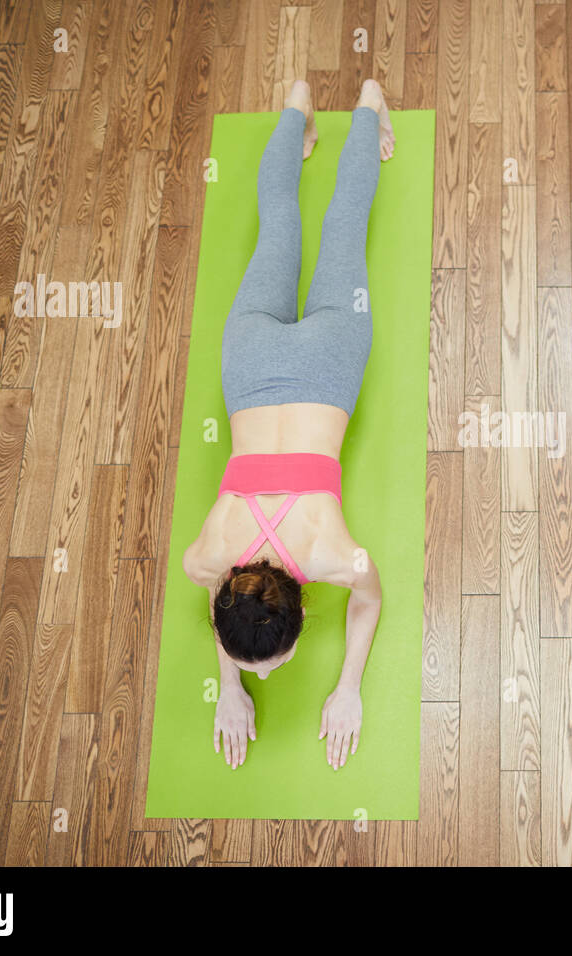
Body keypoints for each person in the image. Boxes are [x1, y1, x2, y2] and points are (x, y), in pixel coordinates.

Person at [183, 77, 396, 771]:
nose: (268, 676)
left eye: (270, 665)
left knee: (344, 223)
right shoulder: (208, 552)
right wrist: (231, 684)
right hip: (249, 358)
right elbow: (211, 590)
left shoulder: (337, 556)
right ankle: (300, 102)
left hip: (330, 362)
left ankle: (367, 103)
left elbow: (370, 604)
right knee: (281, 218)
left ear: (306, 614)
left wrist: (349, 687)